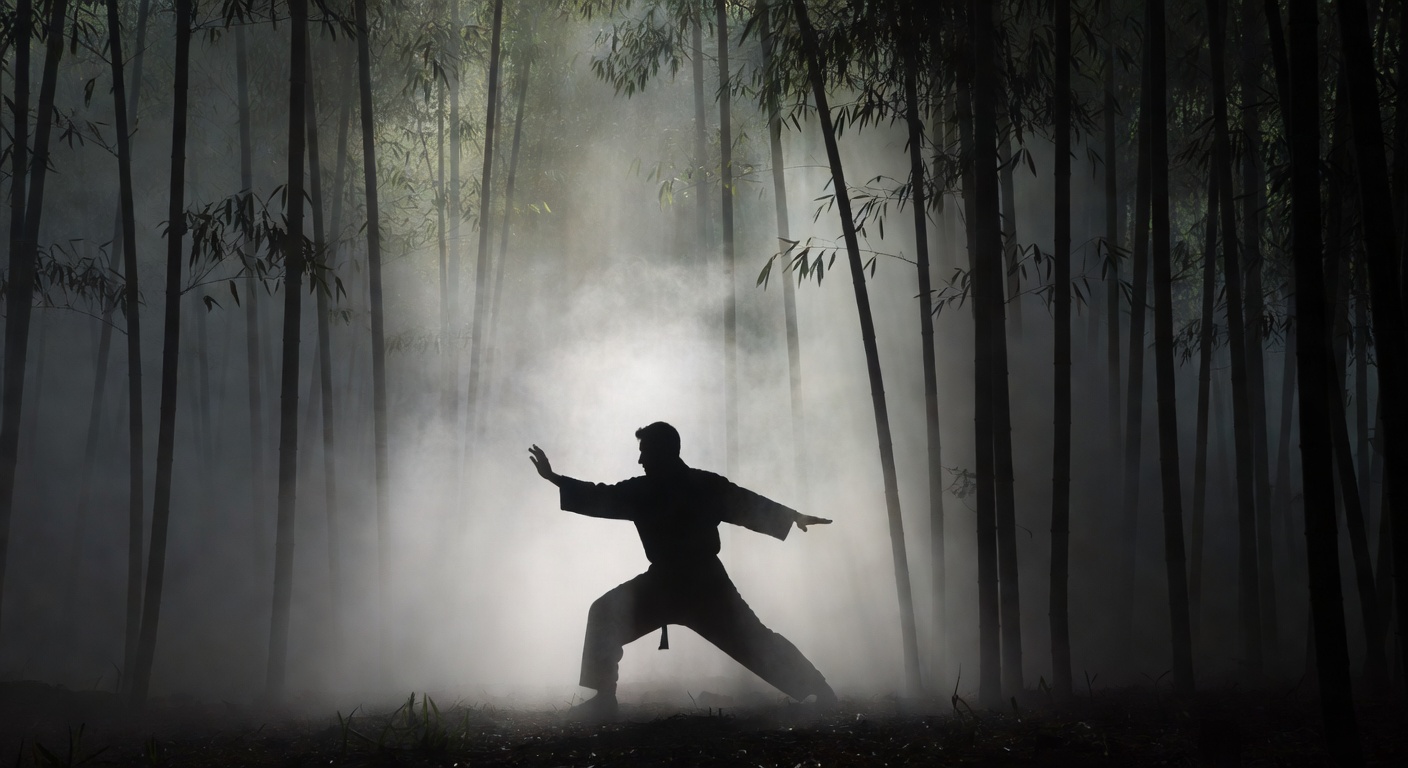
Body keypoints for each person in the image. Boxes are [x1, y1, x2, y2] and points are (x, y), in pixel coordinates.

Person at [529, 422, 837, 721]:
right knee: (605, 613)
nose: (640, 459)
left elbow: (746, 504)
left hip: (700, 583)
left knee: (755, 641)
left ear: (664, 452)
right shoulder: (672, 487)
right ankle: (604, 700)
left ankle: (819, 691)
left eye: (645, 452)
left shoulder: (690, 486)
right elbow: (600, 496)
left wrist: (790, 516)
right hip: (672, 582)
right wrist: (554, 478)